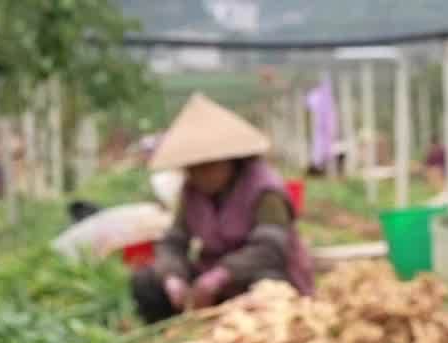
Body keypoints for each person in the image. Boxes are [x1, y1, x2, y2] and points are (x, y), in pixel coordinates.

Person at [131, 94, 313, 324]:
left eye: (208, 167)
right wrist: (172, 276)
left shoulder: (265, 190)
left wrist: (221, 276)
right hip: (212, 276)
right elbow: (173, 241)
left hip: (256, 274)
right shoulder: (192, 191)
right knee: (146, 281)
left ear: (231, 160)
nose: (200, 176)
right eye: (193, 169)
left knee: (267, 285)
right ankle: (176, 333)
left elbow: (270, 249)